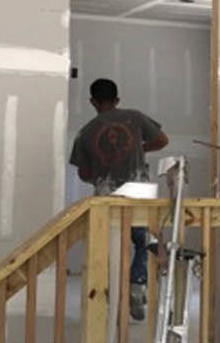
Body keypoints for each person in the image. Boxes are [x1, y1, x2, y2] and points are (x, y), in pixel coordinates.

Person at [69, 78, 169, 321]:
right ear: (117, 100)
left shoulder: (85, 132)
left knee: (108, 247)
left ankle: (107, 295)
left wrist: (100, 170)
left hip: (107, 197)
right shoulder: (134, 118)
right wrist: (138, 150)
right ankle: (137, 284)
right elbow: (162, 140)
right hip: (139, 193)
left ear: (93, 102)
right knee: (144, 240)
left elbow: (83, 173)